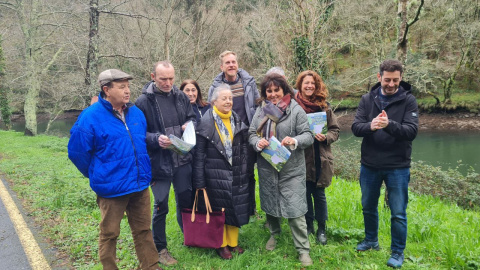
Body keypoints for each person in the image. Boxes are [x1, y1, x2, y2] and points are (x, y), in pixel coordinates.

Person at [68, 69, 161, 270]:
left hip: (139, 185)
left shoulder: (136, 113)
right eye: (121, 87)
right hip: (112, 189)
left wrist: (145, 172)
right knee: (109, 233)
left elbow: (141, 146)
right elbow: (77, 153)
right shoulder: (90, 117)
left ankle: (150, 266)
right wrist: (97, 173)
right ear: (106, 90)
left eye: (128, 86)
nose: (127, 91)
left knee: (144, 230)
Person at [352, 59, 418, 268]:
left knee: (398, 212)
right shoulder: (366, 99)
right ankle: (371, 240)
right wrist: (370, 126)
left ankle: (397, 252)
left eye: (395, 80)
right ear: (379, 77)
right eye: (387, 80)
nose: (391, 84)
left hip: (398, 166)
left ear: (401, 78)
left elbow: (411, 132)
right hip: (369, 164)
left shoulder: (409, 101)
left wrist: (389, 124)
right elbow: (355, 127)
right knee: (368, 206)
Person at [248, 73, 314, 266]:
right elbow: (252, 133)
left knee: (295, 209)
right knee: (270, 202)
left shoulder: (295, 110)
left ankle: (303, 249)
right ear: (265, 93)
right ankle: (274, 234)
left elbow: (308, 135)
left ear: (284, 89)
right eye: (269, 91)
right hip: (268, 167)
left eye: (277, 90)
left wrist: (295, 140)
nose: (273, 94)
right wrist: (257, 142)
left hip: (291, 169)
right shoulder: (261, 110)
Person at [135, 61, 196, 267]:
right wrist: (155, 139)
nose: (168, 82)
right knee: (161, 206)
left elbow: (192, 116)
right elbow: (137, 133)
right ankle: (160, 249)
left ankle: (190, 238)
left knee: (185, 202)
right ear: (153, 76)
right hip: (159, 163)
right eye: (163, 79)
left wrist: (190, 123)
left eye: (171, 78)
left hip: (182, 159)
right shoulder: (143, 102)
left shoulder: (180, 96)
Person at [192, 84, 251, 260]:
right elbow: (199, 156)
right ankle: (221, 244)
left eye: (230, 98)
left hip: (236, 174)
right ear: (213, 102)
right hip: (214, 176)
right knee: (219, 211)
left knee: (235, 208)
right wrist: (199, 181)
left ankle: (233, 243)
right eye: (224, 98)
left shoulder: (237, 120)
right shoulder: (206, 123)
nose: (228, 101)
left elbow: (244, 150)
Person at [208, 50, 260, 216]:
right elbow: (211, 111)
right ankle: (230, 209)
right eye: (228, 63)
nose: (231, 65)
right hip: (226, 137)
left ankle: (250, 209)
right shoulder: (215, 87)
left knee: (249, 173)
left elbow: (258, 107)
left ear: (237, 64)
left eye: (233, 62)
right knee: (230, 174)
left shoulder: (249, 82)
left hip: (247, 135)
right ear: (221, 66)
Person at [295, 70, 340, 245]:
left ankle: (322, 229)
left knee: (319, 194)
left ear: (317, 85)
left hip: (320, 156)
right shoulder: (294, 106)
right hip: (302, 156)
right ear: (300, 85)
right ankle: (308, 226)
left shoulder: (325, 107)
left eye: (312, 83)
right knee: (305, 193)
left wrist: (326, 137)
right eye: (306, 83)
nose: (309, 86)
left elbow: (335, 130)